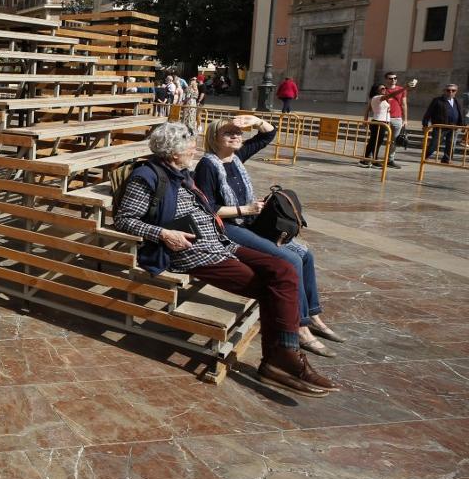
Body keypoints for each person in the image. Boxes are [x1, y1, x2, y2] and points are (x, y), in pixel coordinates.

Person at [114, 122, 337, 397]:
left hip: (221, 242)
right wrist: (163, 233)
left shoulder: (182, 173)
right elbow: (124, 220)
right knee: (272, 286)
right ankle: (281, 360)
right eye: (190, 147)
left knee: (284, 268)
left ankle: (282, 358)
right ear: (172, 153)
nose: (195, 151)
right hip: (191, 252)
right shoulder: (147, 177)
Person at [195, 116, 343, 357]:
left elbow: (267, 135)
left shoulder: (237, 158)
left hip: (249, 221)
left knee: (305, 255)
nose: (236, 136)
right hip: (227, 227)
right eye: (228, 133)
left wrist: (255, 120)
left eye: (238, 132)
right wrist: (245, 209)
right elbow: (208, 209)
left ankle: (314, 316)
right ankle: (300, 328)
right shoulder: (208, 165)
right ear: (214, 138)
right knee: (290, 260)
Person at [378, 72, 417, 168]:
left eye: (395, 78)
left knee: (394, 141)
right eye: (390, 78)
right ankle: (372, 158)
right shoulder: (383, 90)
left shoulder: (401, 89)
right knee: (378, 139)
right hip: (383, 118)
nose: (393, 80)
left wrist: (405, 119)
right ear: (386, 79)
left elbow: (404, 104)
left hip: (397, 118)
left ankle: (390, 160)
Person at [421, 84, 464, 163]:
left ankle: (446, 159)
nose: (450, 92)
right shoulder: (437, 100)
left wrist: (462, 125)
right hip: (440, 126)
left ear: (456, 92)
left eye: (453, 90)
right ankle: (425, 156)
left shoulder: (456, 101)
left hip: (453, 126)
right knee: (435, 143)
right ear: (444, 91)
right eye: (448, 90)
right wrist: (425, 124)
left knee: (451, 144)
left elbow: (459, 113)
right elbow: (428, 113)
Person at [359, 84, 393, 167]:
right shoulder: (377, 97)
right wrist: (365, 120)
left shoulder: (383, 98)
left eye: (385, 88)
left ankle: (368, 159)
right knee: (375, 142)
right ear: (376, 90)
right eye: (382, 88)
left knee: (374, 142)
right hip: (378, 122)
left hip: (382, 122)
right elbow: (367, 110)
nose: (384, 89)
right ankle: (370, 160)